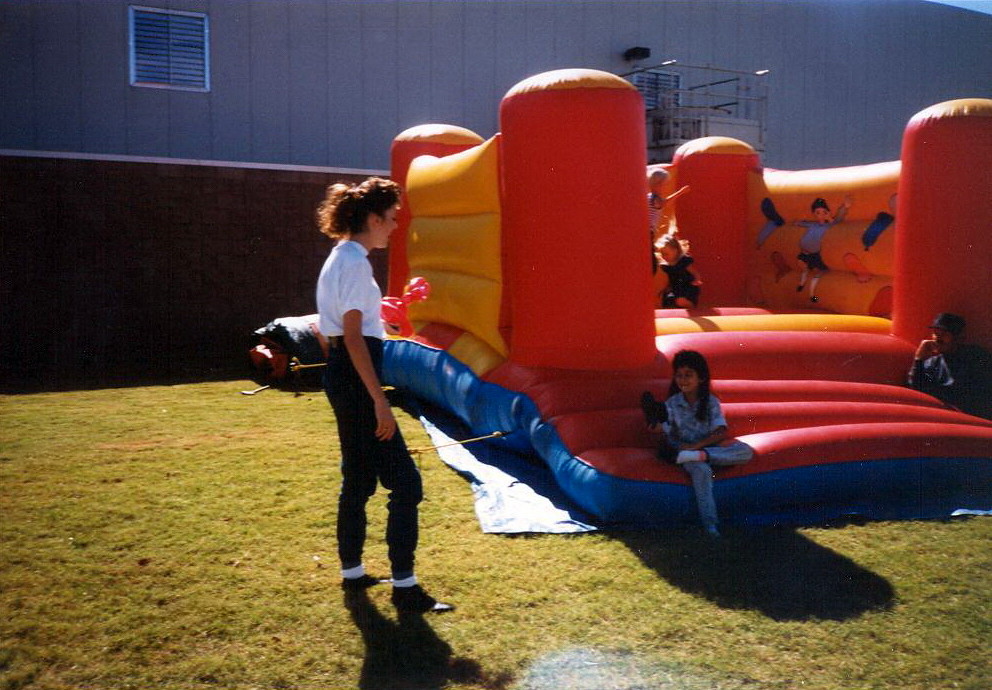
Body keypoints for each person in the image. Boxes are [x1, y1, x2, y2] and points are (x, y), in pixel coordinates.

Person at [316, 177, 453, 613]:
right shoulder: (356, 264)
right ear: (373, 219)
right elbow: (353, 336)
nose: (395, 227)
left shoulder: (339, 257)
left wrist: (381, 320)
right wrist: (379, 401)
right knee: (406, 484)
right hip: (357, 380)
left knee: (358, 478)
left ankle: (353, 572)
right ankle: (405, 588)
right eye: (392, 218)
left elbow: (330, 329)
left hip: (343, 375)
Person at [641, 350, 753, 537]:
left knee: (746, 451)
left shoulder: (710, 402)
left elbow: (720, 432)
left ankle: (699, 456)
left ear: (701, 378)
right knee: (702, 470)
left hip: (702, 451)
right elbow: (665, 429)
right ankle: (710, 524)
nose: (683, 380)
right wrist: (656, 426)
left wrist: (697, 449)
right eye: (679, 375)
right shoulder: (672, 404)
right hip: (684, 452)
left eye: (688, 375)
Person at [907, 312, 992, 419]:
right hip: (946, 418)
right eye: (936, 333)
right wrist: (918, 360)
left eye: (944, 334)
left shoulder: (976, 356)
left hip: (975, 418)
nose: (938, 338)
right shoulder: (932, 363)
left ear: (959, 338)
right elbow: (916, 390)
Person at [794, 195, 851, 303]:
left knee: (820, 272)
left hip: (814, 254)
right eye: (817, 213)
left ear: (827, 213)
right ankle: (801, 284)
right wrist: (798, 222)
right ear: (814, 214)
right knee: (804, 268)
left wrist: (844, 207)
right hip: (805, 253)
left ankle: (812, 296)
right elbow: (799, 223)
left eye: (823, 212)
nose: (821, 215)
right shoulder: (812, 224)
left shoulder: (828, 225)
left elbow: (837, 221)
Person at [656, 231, 702, 308]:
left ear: (675, 251)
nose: (664, 257)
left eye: (666, 254)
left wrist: (697, 279)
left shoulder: (683, 261)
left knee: (680, 300)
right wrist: (665, 288)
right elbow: (670, 280)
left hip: (687, 287)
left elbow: (694, 272)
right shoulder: (667, 267)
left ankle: (690, 304)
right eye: (662, 254)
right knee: (668, 297)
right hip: (676, 288)